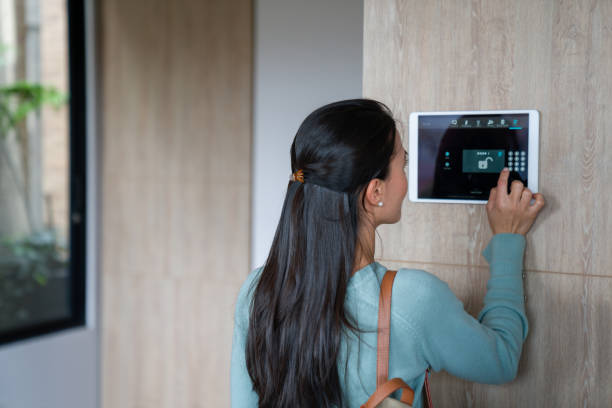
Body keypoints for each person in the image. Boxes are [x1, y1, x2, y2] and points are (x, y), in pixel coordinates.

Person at [230, 99, 545, 408]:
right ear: (375, 191)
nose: (407, 181)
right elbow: (500, 361)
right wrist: (507, 240)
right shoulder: (412, 299)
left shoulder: (258, 290)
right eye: (403, 163)